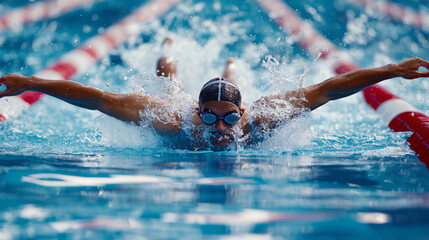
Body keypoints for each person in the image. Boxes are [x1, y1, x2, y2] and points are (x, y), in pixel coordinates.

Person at [1, 39, 429, 150]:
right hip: (176, 100)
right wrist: (31, 84)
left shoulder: (263, 117)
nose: (220, 129)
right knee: (168, 84)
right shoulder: (172, 120)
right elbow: (94, 96)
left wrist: (391, 70)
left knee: (227, 76)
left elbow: (329, 89)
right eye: (209, 117)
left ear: (242, 114)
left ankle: (231, 69)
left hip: (233, 97)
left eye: (229, 118)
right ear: (197, 114)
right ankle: (167, 50)